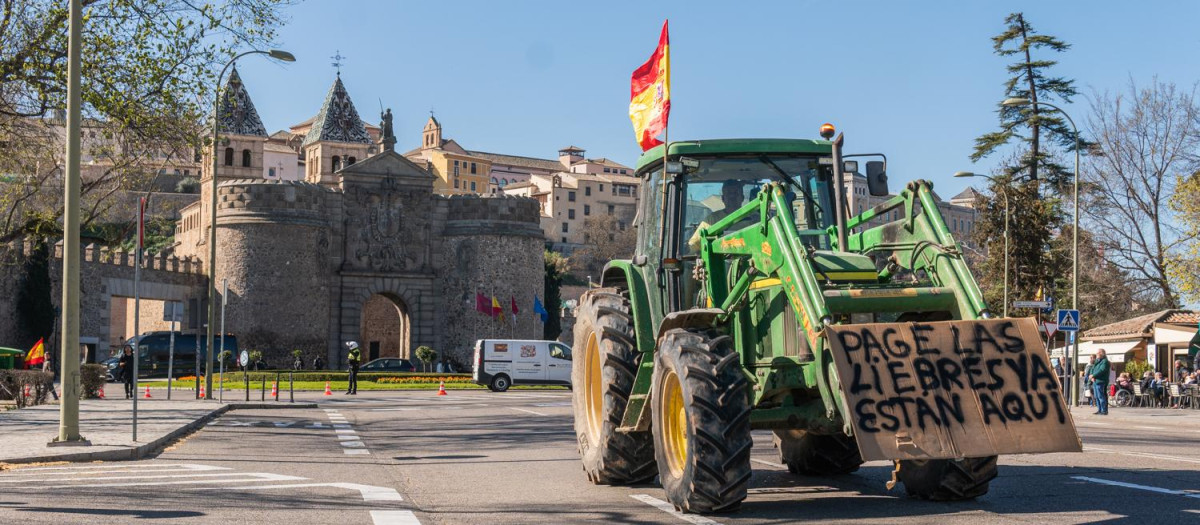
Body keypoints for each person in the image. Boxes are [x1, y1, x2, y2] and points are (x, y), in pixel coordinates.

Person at [1090, 349, 1110, 415]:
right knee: (1097, 396)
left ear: (1102, 353)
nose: (1097, 354)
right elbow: (1092, 368)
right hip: (1095, 381)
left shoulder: (1105, 361)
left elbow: (1102, 370)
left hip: (1101, 381)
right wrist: (1092, 376)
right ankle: (1099, 409)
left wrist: (1094, 375)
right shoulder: (1097, 361)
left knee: (1101, 396)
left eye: (1098, 353)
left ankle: (1104, 410)